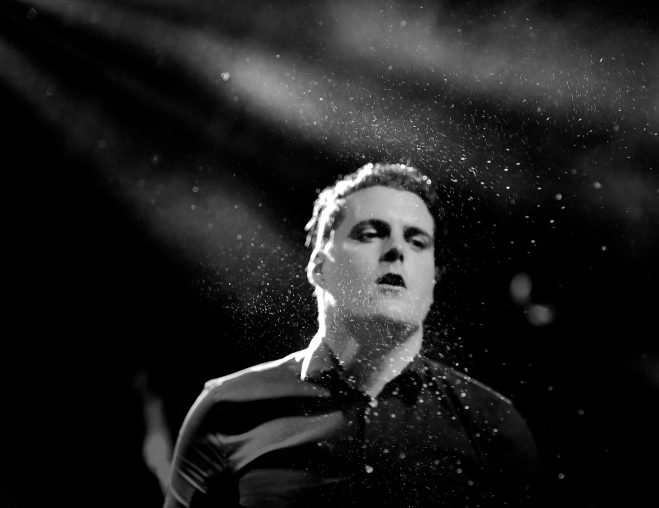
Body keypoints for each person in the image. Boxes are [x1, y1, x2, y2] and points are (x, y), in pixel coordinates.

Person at [163, 163, 544, 507]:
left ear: (433, 277)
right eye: (370, 233)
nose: (397, 250)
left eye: (417, 242)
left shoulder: (490, 421)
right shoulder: (228, 407)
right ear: (318, 266)